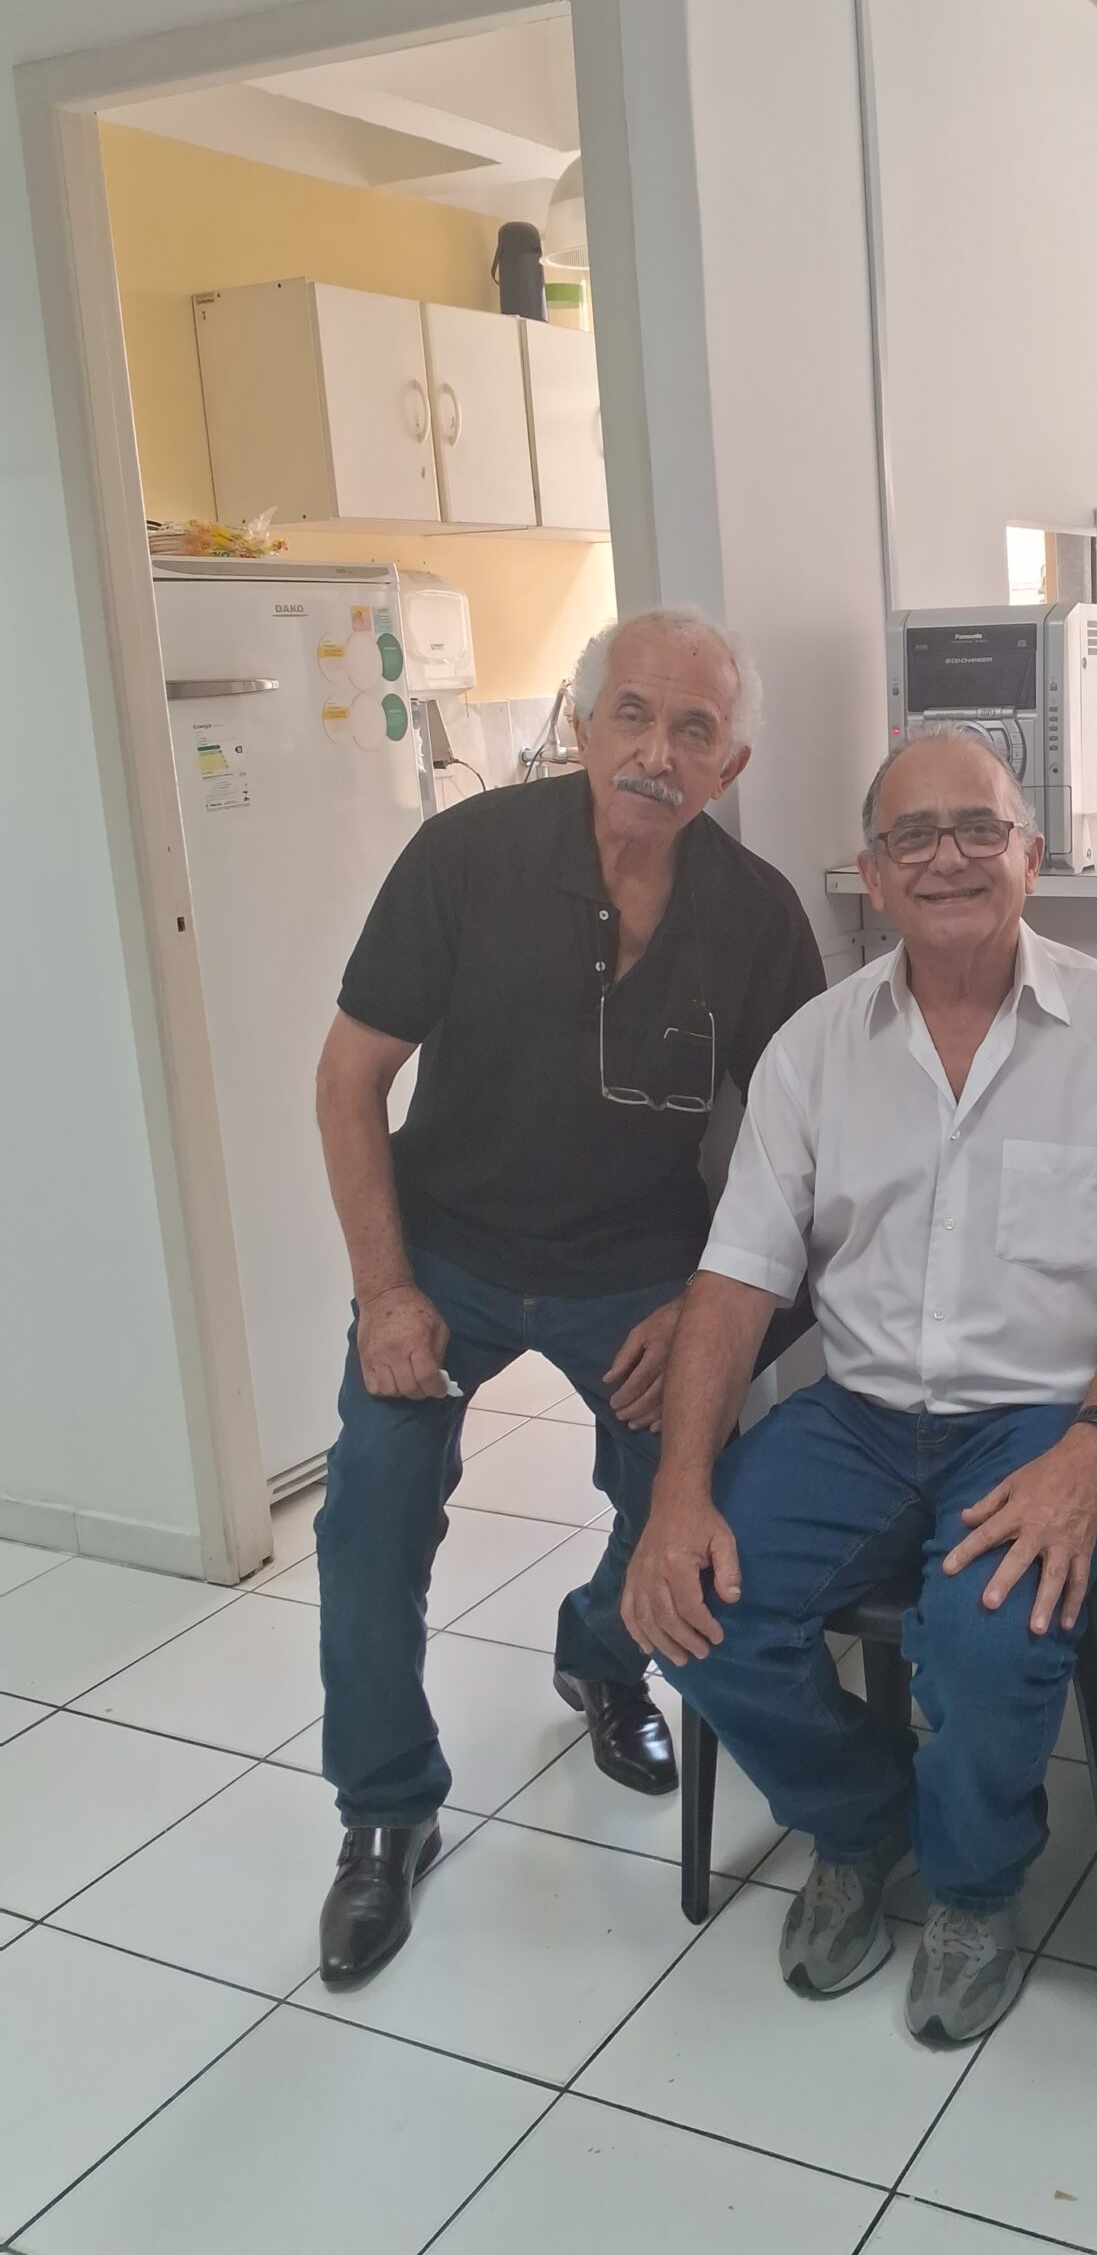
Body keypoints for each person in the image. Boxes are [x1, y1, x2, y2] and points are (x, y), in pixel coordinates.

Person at [621, 727, 1097, 2044]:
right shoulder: (813, 1048)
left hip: (1041, 1418)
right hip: (857, 1416)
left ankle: (972, 1885)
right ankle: (862, 1824)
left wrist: (1094, 1452)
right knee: (693, 1604)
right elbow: (736, 1278)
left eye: (978, 830)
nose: (947, 858)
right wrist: (680, 1490)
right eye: (913, 835)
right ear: (871, 872)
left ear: (1032, 854)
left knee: (989, 1637)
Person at [310, 608, 823, 1986]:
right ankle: (383, 1811)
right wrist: (384, 1292)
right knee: (370, 1505)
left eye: (694, 731)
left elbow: (800, 1152)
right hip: (448, 1252)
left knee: (683, 1502)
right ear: (585, 726)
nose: (657, 751)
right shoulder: (466, 856)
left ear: (730, 764)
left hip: (641, 1268)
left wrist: (713, 1310)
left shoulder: (758, 914)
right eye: (632, 715)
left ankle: (602, 1654)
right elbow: (349, 1079)